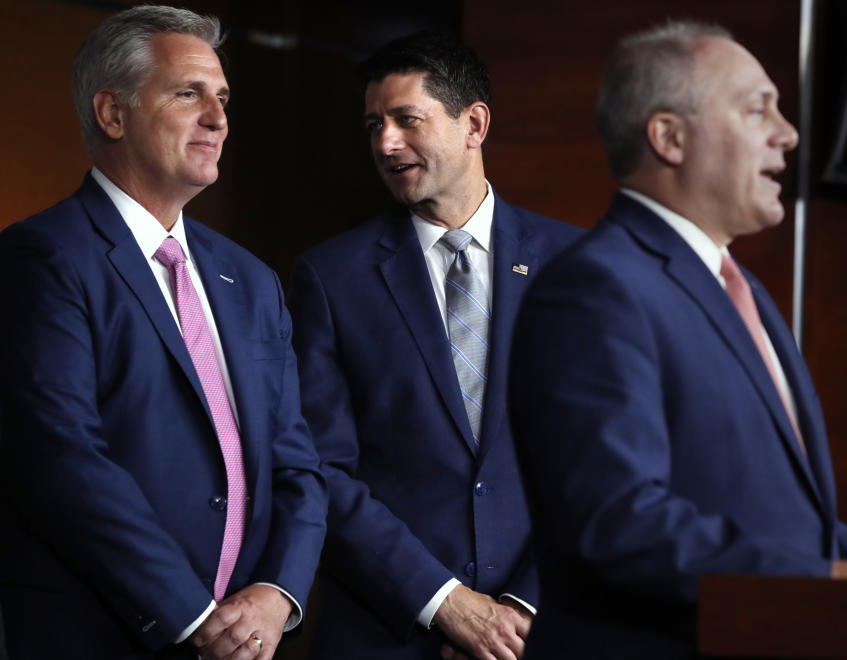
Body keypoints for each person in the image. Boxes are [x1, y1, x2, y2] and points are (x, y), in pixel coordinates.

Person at [508, 21, 847, 660]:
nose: (788, 133)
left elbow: (778, 514)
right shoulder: (593, 288)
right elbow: (617, 522)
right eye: (756, 108)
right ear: (670, 137)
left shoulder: (745, 291)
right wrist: (832, 579)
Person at [0, 6, 327, 659]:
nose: (218, 117)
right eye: (188, 94)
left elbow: (297, 464)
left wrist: (276, 593)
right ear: (112, 114)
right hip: (107, 637)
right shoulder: (41, 258)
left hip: (249, 639)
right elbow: (64, 460)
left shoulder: (252, 279)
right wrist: (194, 617)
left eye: (223, 98)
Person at [288, 31, 583, 660]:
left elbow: (601, 458)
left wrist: (520, 609)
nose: (385, 142)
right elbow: (322, 470)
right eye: (374, 125)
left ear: (473, 123)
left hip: (542, 630)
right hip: (388, 632)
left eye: (406, 119)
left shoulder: (576, 265)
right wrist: (445, 601)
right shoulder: (330, 277)